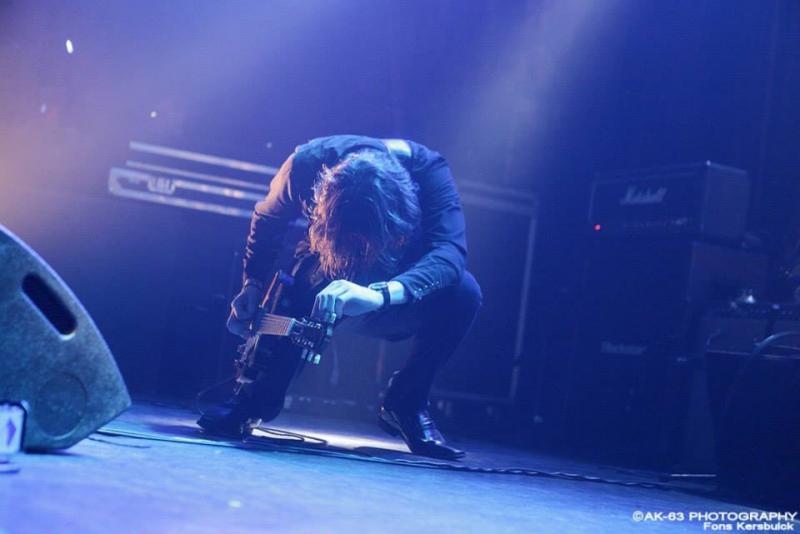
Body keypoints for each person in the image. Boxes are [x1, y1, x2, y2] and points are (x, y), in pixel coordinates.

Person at [198, 135, 482, 460]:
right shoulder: (305, 164)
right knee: (299, 275)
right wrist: (252, 284)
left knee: (463, 291)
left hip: (396, 281)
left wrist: (380, 294)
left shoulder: (429, 172)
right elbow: (268, 220)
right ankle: (254, 398)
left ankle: (406, 402)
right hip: (326, 266)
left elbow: (450, 253)